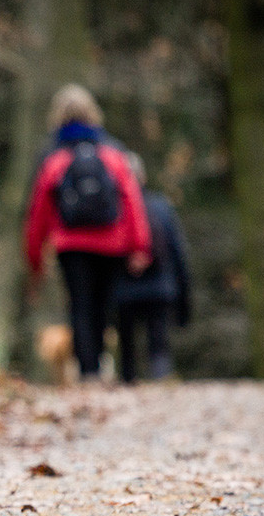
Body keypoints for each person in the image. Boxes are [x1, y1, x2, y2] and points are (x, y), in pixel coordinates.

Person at [24, 84, 152, 379]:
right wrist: (139, 246)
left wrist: (34, 257)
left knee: (79, 305)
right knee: (103, 306)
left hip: (71, 245)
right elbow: (132, 201)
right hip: (112, 243)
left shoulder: (53, 158)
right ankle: (102, 362)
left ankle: (88, 369)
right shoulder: (112, 154)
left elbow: (38, 212)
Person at [113, 153, 192, 382]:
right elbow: (178, 253)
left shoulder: (111, 209)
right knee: (158, 341)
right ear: (143, 176)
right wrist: (182, 298)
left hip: (122, 288)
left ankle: (128, 384)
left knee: (126, 342)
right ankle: (161, 378)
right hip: (159, 286)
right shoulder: (161, 206)